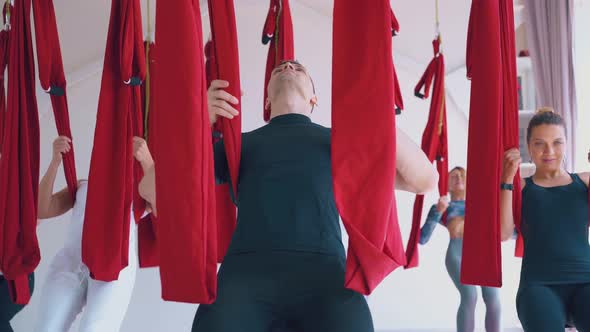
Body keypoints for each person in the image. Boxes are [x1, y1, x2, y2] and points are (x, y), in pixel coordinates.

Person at [140, 60, 438, 332]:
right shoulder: (237, 146)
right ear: (266, 101)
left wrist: (381, 122)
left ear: (314, 99)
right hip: (245, 279)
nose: (287, 65)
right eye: (279, 67)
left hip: (326, 280)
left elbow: (424, 181)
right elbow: (153, 190)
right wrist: (198, 122)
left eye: (298, 67)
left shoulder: (340, 143)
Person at [34, 136, 153, 332]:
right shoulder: (83, 186)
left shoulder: (139, 192)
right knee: (47, 328)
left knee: (95, 328)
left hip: (115, 268)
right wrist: (55, 162)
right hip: (72, 263)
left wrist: (147, 160)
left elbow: (165, 210)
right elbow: (42, 209)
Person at [500, 108, 590, 331]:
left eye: (557, 142)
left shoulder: (585, 182)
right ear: (528, 147)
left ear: (566, 144)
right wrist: (506, 180)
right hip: (539, 285)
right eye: (540, 143)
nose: (549, 150)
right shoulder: (518, 187)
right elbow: (503, 233)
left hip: (586, 281)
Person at [419, 166, 501, 332]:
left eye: (463, 175)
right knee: (469, 296)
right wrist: (438, 212)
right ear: (446, 184)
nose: (459, 178)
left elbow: (508, 232)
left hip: (483, 255)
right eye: (454, 176)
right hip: (457, 255)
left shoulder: (483, 204)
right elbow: (422, 238)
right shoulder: (443, 206)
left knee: (492, 297)